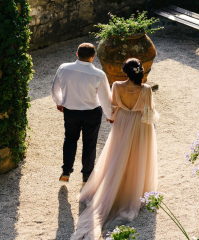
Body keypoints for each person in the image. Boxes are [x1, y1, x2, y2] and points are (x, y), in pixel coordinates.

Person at [71, 58, 159, 240]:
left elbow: (114, 106)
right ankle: (133, 188)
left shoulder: (117, 85)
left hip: (122, 122)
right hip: (140, 125)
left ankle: (114, 184)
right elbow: (149, 113)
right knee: (138, 155)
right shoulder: (146, 89)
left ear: (125, 72)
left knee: (117, 154)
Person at [52, 43, 112, 183]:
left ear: (77, 54)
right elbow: (105, 98)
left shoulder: (63, 68)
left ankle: (66, 170)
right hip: (91, 113)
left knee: (70, 140)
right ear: (93, 57)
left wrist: (59, 102)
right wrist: (110, 115)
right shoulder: (99, 74)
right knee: (89, 143)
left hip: (70, 111)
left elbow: (55, 89)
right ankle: (87, 174)